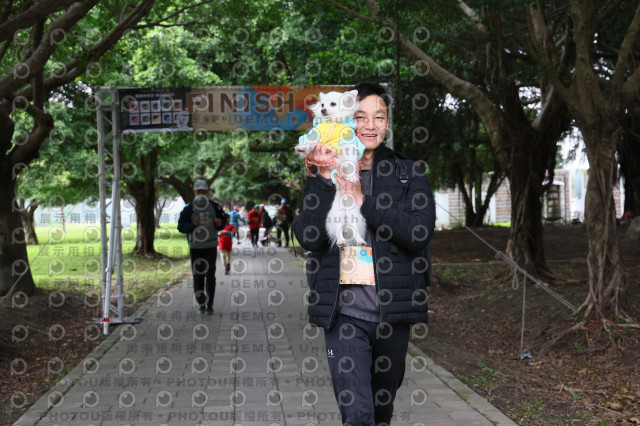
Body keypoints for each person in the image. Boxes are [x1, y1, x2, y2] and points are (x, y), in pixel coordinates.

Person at [292, 82, 436, 426]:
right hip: (343, 314)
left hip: (392, 315)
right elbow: (309, 238)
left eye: (379, 117)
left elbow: (418, 233)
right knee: (357, 416)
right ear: (346, 118)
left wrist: (363, 201)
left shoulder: (408, 172)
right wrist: (323, 179)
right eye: (360, 117)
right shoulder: (325, 168)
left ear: (387, 122)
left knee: (381, 413)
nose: (370, 125)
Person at [177, 179, 228, 314]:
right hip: (196, 248)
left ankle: (209, 305)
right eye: (198, 191)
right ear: (194, 192)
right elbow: (181, 227)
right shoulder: (188, 209)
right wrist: (193, 225)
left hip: (211, 246)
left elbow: (223, 220)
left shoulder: (214, 206)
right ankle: (201, 303)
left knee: (210, 276)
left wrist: (220, 223)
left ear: (207, 192)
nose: (201, 193)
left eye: (203, 191)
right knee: (198, 276)